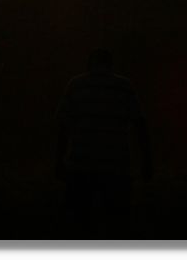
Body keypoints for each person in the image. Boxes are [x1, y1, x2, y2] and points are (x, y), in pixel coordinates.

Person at [57, 48, 152, 235]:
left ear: (89, 63)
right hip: (116, 165)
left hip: (81, 164)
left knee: (80, 224)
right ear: (110, 64)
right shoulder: (124, 86)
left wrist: (59, 160)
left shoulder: (76, 85)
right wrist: (146, 161)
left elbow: (63, 125)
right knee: (118, 224)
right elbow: (139, 124)